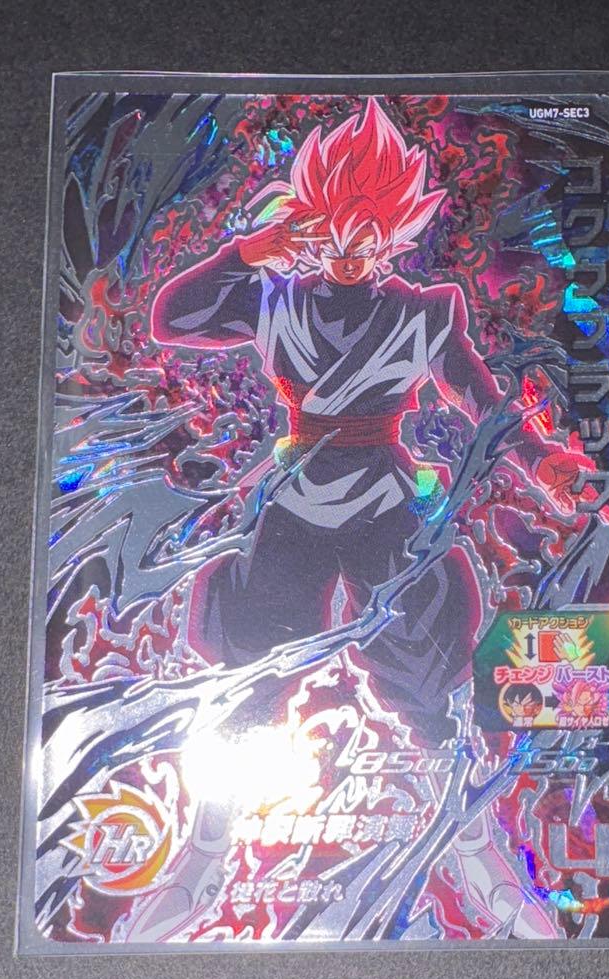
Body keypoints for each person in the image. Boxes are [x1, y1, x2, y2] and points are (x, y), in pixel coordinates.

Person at [151, 99, 559, 744]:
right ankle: (239, 768)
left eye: (363, 236)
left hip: (386, 492)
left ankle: (447, 760)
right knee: (256, 648)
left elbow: (483, 403)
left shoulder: (421, 315)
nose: (346, 253)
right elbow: (170, 320)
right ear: (310, 228)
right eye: (332, 234)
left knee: (421, 646)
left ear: (392, 233)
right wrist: (244, 254)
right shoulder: (274, 301)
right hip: (296, 492)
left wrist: (542, 463)